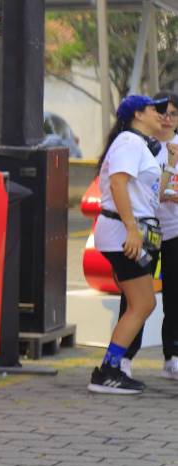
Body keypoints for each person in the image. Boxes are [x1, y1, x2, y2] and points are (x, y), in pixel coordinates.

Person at [88, 94, 175, 395]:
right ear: (138, 114)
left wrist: (172, 163)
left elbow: (153, 193)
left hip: (132, 232)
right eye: (155, 110)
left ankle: (111, 367)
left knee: (142, 302)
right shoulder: (128, 142)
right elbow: (117, 183)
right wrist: (131, 230)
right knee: (143, 303)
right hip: (124, 233)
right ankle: (108, 371)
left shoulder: (139, 145)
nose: (161, 116)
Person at [153, 92, 178, 379]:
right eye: (162, 112)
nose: (167, 118)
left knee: (174, 295)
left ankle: (171, 355)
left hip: (174, 230)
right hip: (145, 228)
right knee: (137, 298)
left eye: (173, 113)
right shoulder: (144, 145)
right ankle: (122, 358)